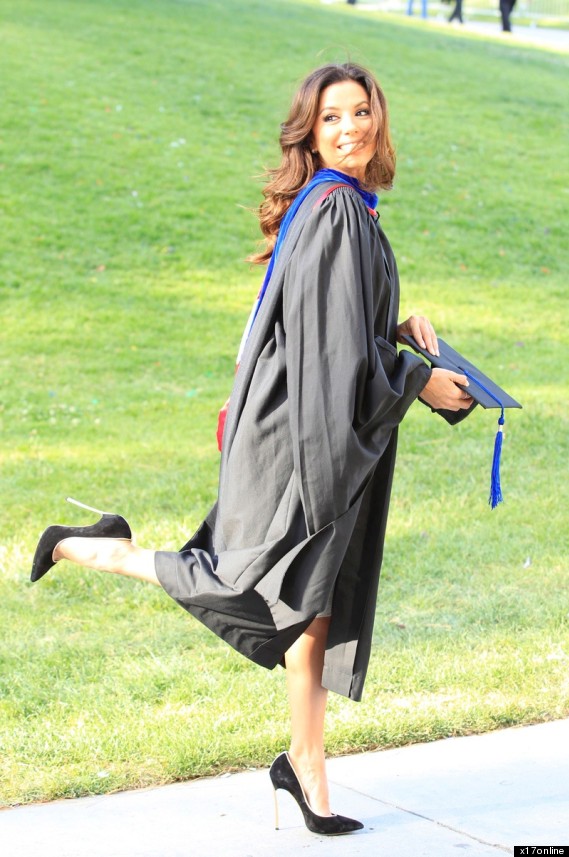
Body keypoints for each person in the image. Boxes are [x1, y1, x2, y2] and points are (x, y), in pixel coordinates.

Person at [30, 63, 473, 835]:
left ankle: (305, 767)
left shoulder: (342, 207)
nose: (350, 129)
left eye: (361, 112)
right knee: (251, 583)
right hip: (298, 439)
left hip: (301, 424)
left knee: (313, 604)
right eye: (332, 118)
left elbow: (333, 326)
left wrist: (398, 331)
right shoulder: (337, 211)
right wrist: (420, 383)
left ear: (380, 117)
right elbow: (338, 360)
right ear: (311, 130)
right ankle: (91, 546)